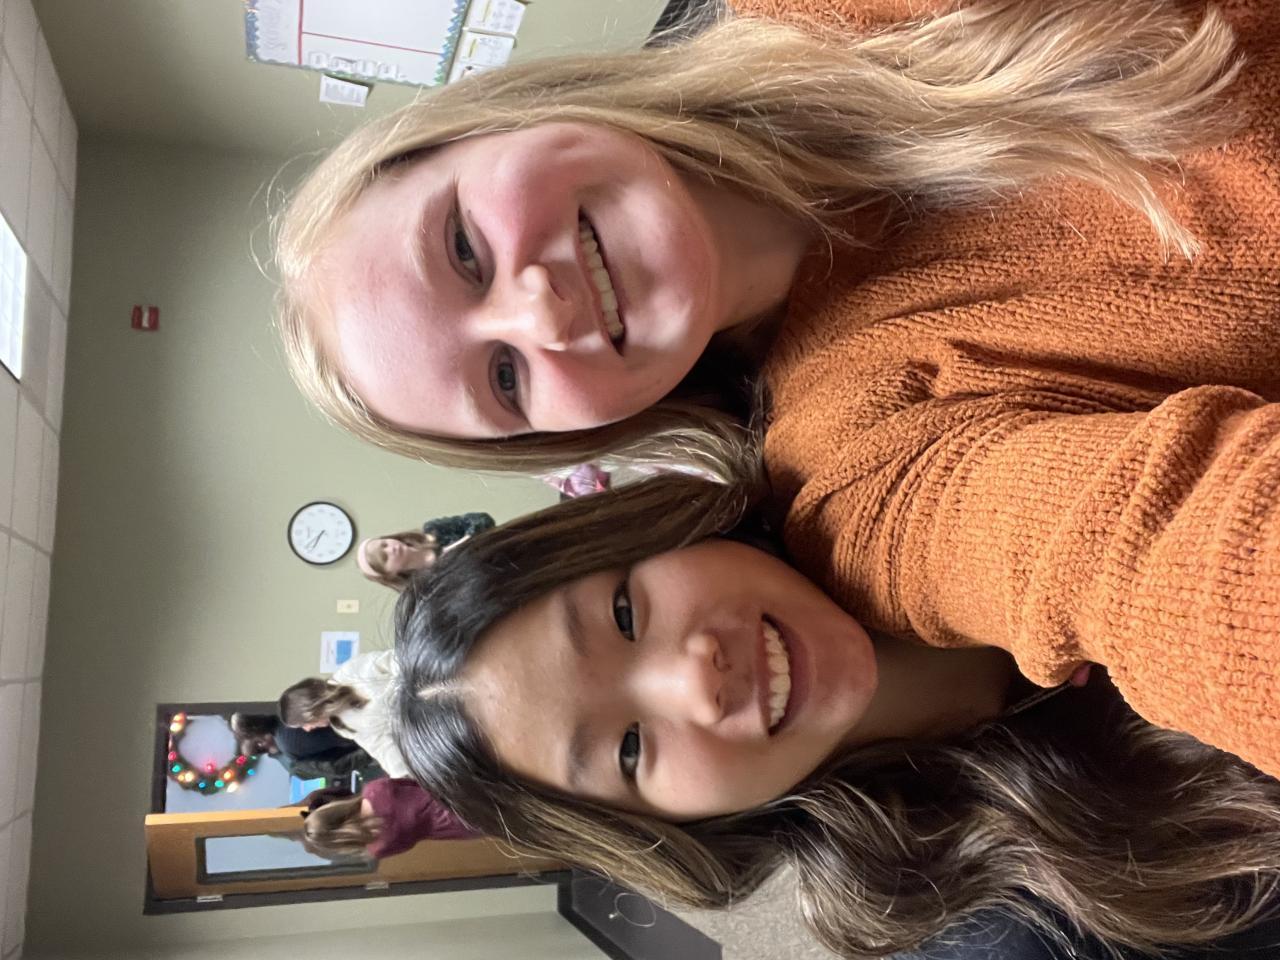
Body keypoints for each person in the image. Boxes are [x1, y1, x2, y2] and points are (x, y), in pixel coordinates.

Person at [273, 0, 1270, 482]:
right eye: (504, 379)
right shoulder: (861, 461)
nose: (536, 310)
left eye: (461, 247)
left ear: (492, 122)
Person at [391, 477, 1280, 960]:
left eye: (624, 615)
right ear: (668, 826)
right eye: (629, 749)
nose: (695, 680)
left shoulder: (899, 449)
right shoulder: (1017, 931)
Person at [278, 649, 410, 777]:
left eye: (303, 724)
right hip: (419, 726)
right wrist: (399, 775)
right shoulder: (341, 726)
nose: (307, 729)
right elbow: (380, 746)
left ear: (309, 711)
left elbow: (399, 660)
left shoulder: (350, 671)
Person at [299, 777, 477, 859]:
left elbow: (409, 842)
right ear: (333, 809)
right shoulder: (376, 790)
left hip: (458, 825)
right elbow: (415, 782)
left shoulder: (378, 846)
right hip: (454, 789)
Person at [357, 513, 495, 590]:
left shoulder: (434, 529)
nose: (391, 549)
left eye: (385, 544)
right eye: (385, 557)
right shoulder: (425, 589)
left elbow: (483, 520)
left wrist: (463, 543)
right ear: (390, 575)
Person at [228, 711, 378, 781]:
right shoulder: (287, 711)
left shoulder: (290, 751)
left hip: (367, 742)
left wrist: (371, 749)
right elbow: (335, 767)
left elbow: (336, 767)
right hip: (366, 720)